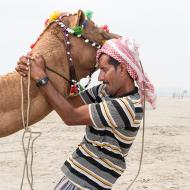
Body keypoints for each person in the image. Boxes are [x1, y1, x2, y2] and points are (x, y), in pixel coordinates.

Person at [16, 37, 156, 190]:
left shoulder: (128, 107)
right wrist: (36, 72)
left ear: (122, 68)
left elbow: (70, 116)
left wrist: (42, 78)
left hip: (89, 184)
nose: (100, 77)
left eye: (104, 70)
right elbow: (67, 103)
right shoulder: (104, 91)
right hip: (76, 177)